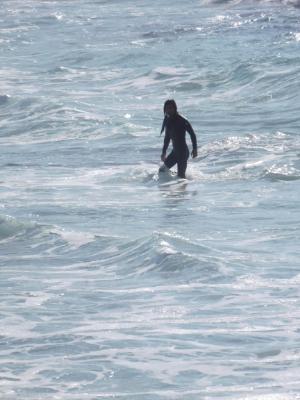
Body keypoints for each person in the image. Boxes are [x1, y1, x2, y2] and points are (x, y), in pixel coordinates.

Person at [159, 99, 198, 179]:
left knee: (181, 178)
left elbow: (192, 135)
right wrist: (163, 152)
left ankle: (183, 189)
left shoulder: (182, 120)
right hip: (175, 153)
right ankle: (168, 187)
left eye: (171, 108)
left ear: (175, 108)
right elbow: (167, 138)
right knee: (162, 171)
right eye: (167, 108)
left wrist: (195, 149)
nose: (169, 110)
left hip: (183, 153)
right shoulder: (167, 120)